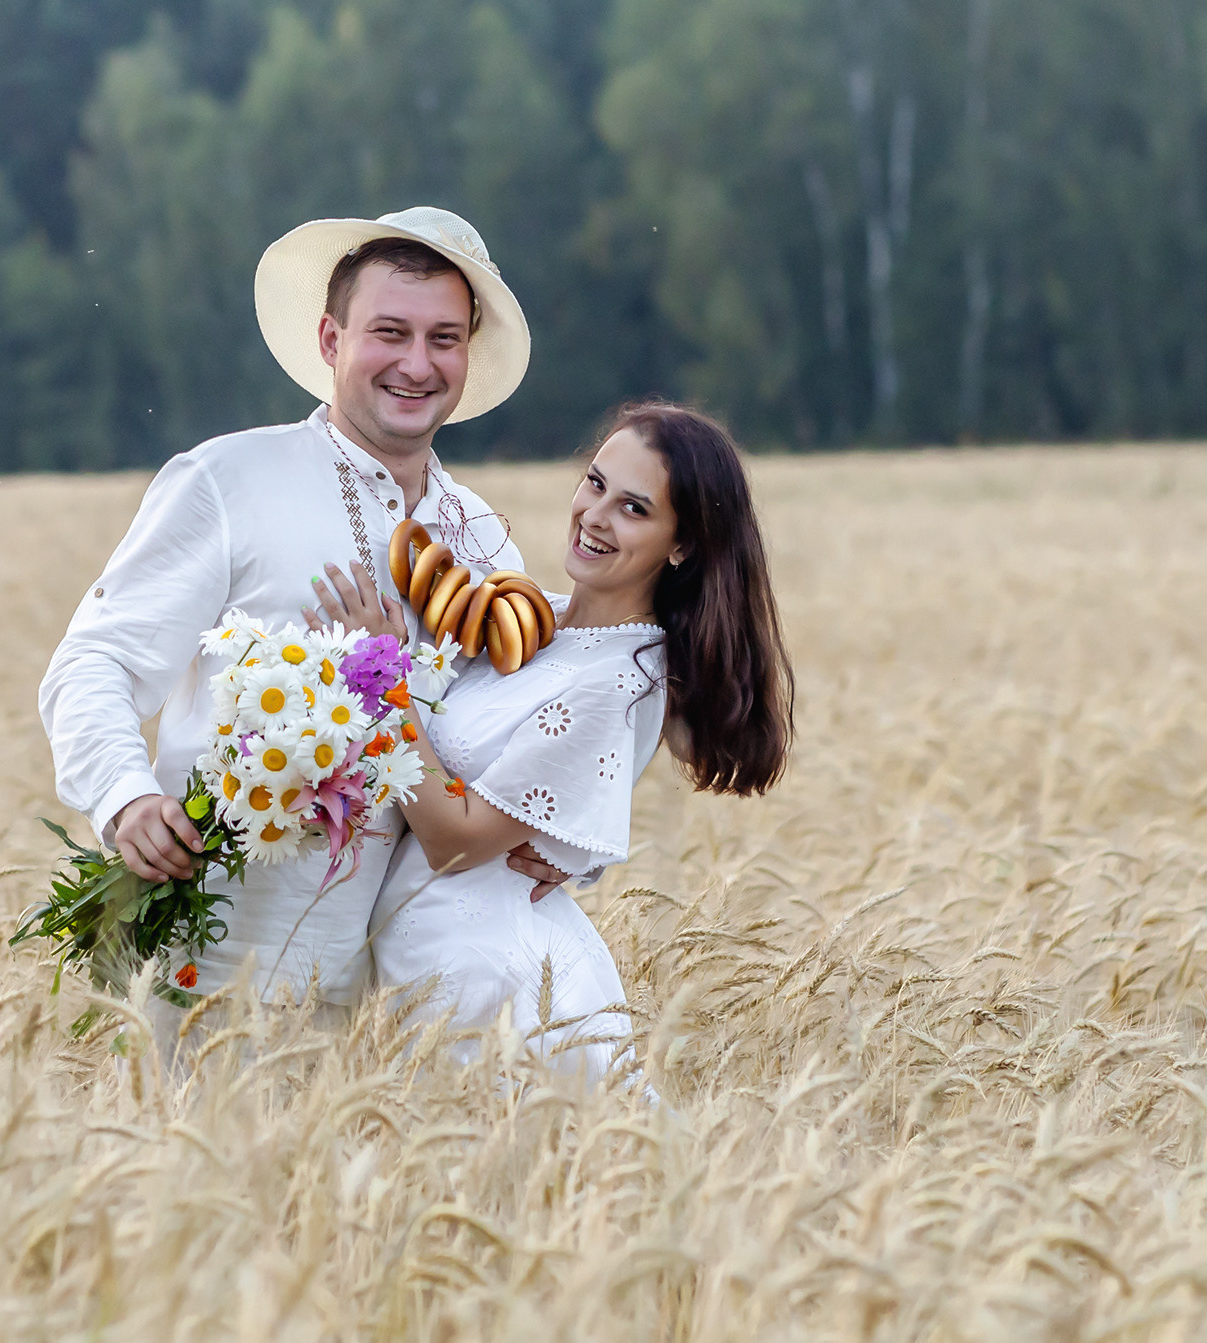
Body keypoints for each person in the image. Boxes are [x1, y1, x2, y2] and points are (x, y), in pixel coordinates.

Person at [39, 207, 569, 1009]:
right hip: (213, 951)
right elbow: (94, 662)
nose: (416, 364)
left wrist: (564, 837)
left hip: (402, 990)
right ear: (331, 340)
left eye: (444, 338)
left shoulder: (487, 548)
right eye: (389, 331)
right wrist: (124, 795)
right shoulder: (226, 480)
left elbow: (527, 739)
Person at [309, 402, 794, 1080]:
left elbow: (455, 840)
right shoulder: (535, 616)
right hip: (423, 969)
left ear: (681, 544)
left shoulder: (619, 680)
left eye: (634, 508)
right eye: (595, 483)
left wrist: (380, 674)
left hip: (491, 993)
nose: (595, 515)